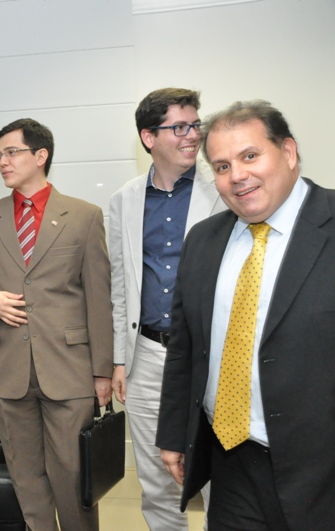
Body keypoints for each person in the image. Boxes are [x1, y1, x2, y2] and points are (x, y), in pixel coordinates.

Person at [157, 100, 335, 529]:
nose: (237, 175)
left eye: (250, 156)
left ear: (288, 152)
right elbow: (185, 347)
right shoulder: (203, 240)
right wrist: (174, 434)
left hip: (322, 470)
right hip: (230, 459)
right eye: (221, 166)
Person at [0, 118, 113, 531]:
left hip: (69, 368)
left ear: (41, 155)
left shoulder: (84, 216)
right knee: (26, 479)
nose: (3, 162)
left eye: (12, 152)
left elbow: (99, 298)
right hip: (9, 371)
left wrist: (102, 371)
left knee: (74, 478)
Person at [109, 88, 222, 530]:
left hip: (212, 353)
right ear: (148, 137)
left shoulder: (223, 190)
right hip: (148, 355)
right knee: (157, 479)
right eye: (179, 127)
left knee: (217, 478)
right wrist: (120, 359)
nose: (192, 135)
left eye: (195, 125)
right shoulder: (125, 199)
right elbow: (121, 284)